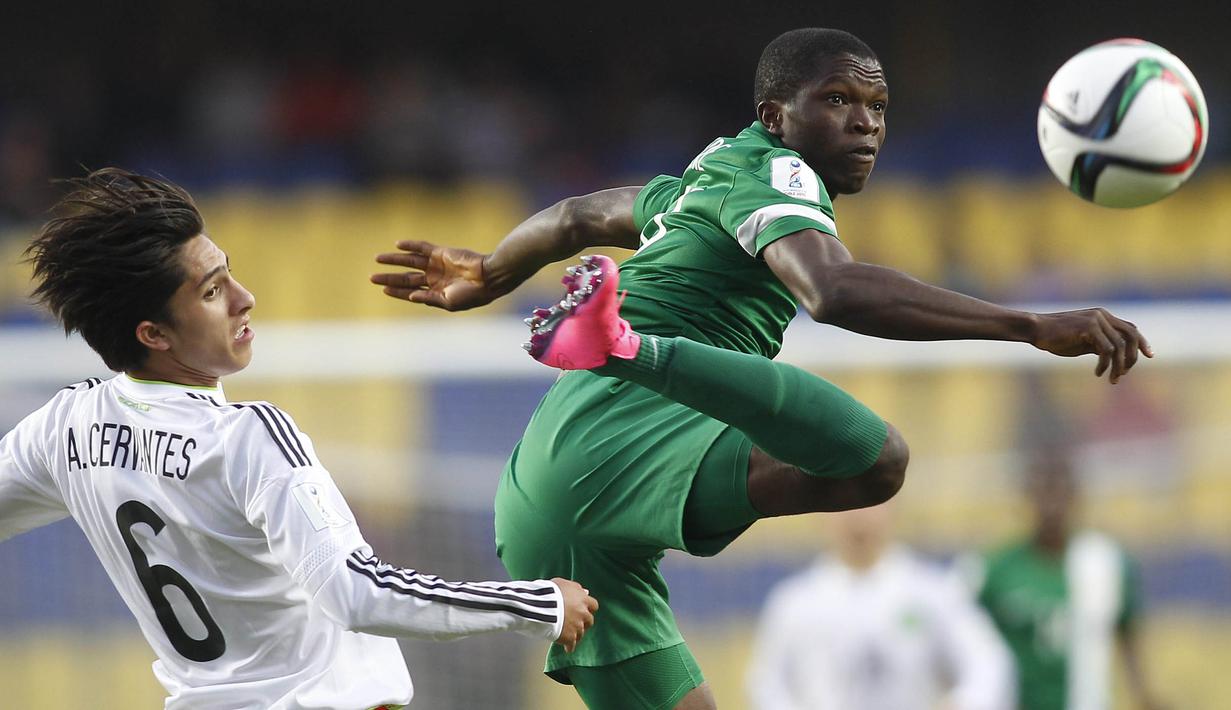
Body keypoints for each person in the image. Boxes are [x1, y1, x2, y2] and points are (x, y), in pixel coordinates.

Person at [370, 27, 1151, 710]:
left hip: (547, 500)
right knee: (874, 461)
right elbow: (832, 291)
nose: (865, 124)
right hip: (624, 431)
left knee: (868, 469)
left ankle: (620, 345)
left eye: (877, 108)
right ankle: (627, 345)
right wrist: (1030, 325)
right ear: (776, 118)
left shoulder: (708, 178)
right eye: (839, 100)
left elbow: (579, 216)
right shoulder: (781, 175)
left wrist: (493, 274)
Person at [0, 168, 598, 710]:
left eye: (228, 272)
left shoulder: (64, 428)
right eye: (211, 292)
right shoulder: (246, 437)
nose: (243, 298)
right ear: (153, 333)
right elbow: (356, 591)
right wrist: (537, 605)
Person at [745, 503, 1015, 710]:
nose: (856, 517)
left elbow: (988, 662)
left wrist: (964, 702)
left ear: (892, 505)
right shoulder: (795, 602)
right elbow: (766, 683)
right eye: (841, 504)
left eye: (868, 501)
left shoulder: (932, 591)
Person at [969, 455, 1166, 710]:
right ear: (1028, 496)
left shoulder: (1105, 562)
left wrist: (1144, 695)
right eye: (1043, 490)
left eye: (1059, 490)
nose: (1051, 503)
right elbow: (963, 635)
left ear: (1076, 495)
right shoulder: (995, 568)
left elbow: (1127, 633)